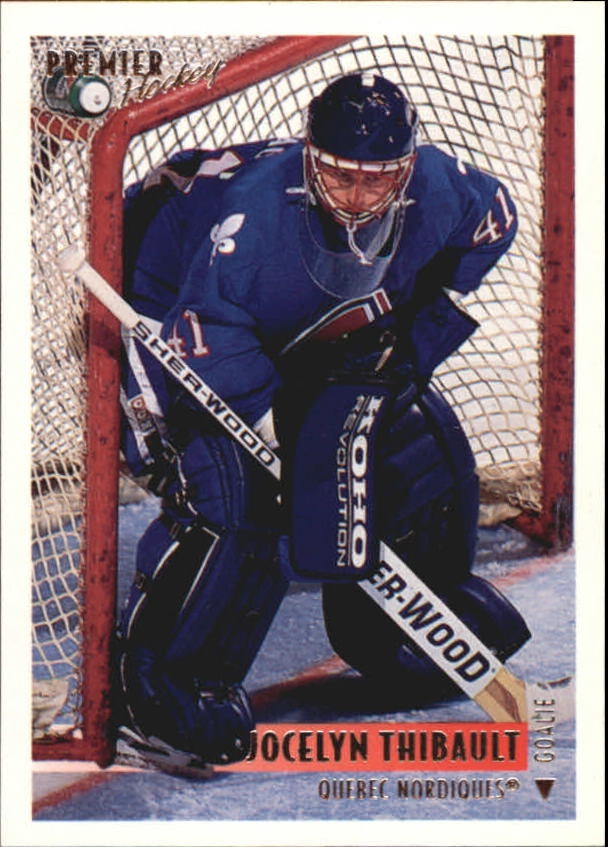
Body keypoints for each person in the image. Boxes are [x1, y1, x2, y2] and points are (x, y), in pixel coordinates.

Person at [116, 73, 531, 768]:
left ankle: (401, 626)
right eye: (340, 176)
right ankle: (165, 687)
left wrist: (415, 319)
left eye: (379, 179)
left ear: (406, 168)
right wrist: (275, 435)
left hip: (280, 305)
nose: (359, 197)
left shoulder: (438, 186)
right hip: (162, 289)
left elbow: (495, 221)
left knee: (406, 431)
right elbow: (210, 335)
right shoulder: (251, 225)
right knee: (230, 490)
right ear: (311, 160)